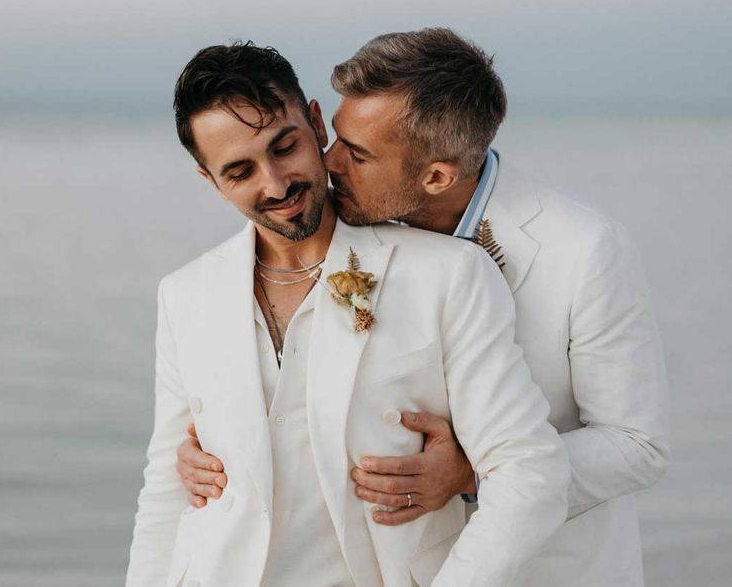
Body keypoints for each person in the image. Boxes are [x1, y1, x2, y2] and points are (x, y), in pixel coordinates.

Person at [177, 29, 670, 587]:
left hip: (551, 567)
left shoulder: (584, 249)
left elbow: (638, 444)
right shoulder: (358, 235)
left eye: (357, 154)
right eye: (335, 138)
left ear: (435, 176)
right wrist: (220, 450)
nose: (330, 161)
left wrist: (472, 472)